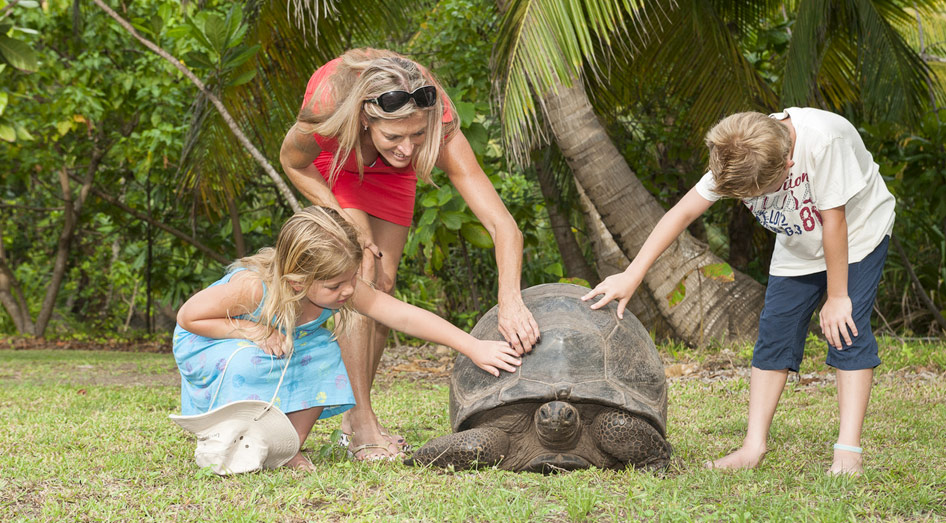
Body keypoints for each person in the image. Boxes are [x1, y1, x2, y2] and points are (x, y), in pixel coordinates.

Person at [582, 108, 895, 476]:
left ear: (788, 164)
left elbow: (834, 223)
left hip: (856, 236)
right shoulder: (739, 151)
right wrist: (632, 274)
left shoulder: (825, 142)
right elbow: (680, 215)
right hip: (798, 244)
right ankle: (752, 447)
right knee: (773, 337)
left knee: (846, 330)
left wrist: (838, 296)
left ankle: (847, 452)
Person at [279, 48, 540, 459]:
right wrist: (338, 217)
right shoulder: (328, 104)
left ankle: (352, 415)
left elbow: (502, 224)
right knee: (360, 267)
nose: (408, 148)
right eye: (396, 136)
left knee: (382, 281)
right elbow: (293, 162)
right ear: (368, 117)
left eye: (418, 135)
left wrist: (510, 297)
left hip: (386, 175)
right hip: (339, 154)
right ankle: (363, 422)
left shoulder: (435, 122)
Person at [173, 206, 523, 468]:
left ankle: (288, 446)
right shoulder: (252, 287)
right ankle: (231, 436)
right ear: (297, 282)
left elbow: (403, 315)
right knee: (254, 361)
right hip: (211, 338)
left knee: (325, 353)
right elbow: (189, 317)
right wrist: (252, 329)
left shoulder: (342, 285)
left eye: (352, 278)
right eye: (336, 285)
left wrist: (472, 346)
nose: (349, 290)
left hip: (276, 340)